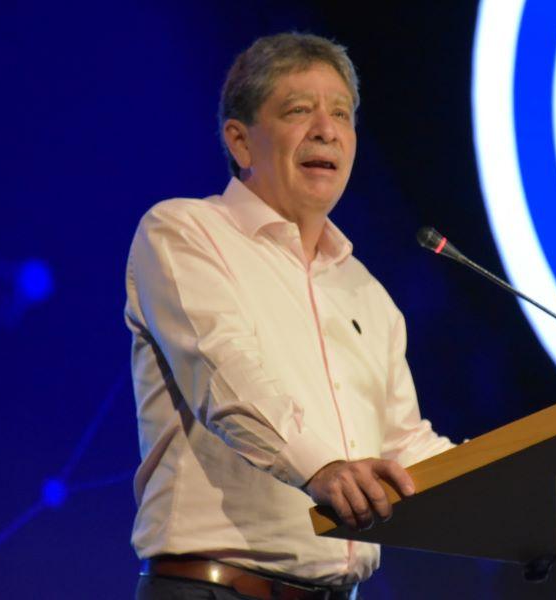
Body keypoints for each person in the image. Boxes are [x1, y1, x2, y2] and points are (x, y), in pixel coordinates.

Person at [125, 32, 454, 600]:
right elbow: (225, 375)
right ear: (240, 142)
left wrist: (522, 491)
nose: (326, 129)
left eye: (342, 114)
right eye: (300, 110)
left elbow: (403, 448)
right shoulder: (184, 232)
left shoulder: (367, 293)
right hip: (215, 591)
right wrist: (320, 468)